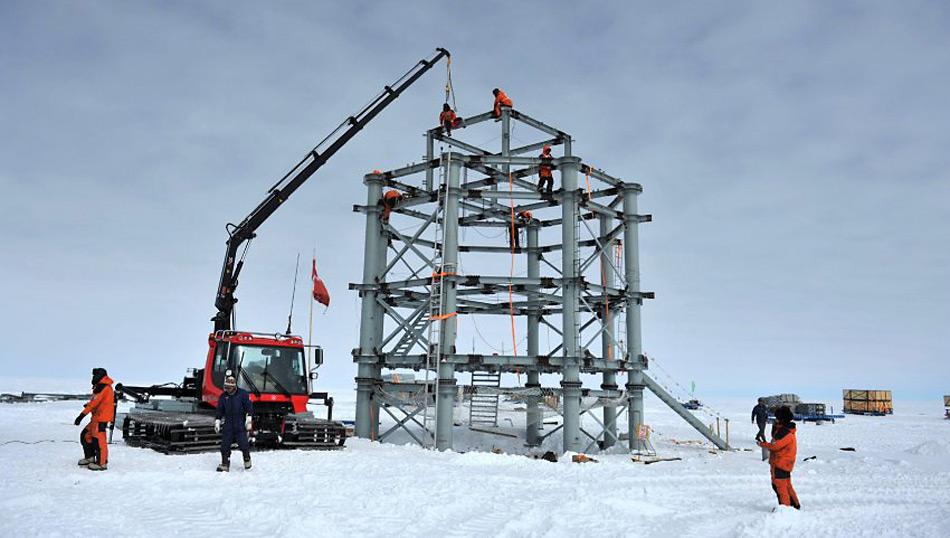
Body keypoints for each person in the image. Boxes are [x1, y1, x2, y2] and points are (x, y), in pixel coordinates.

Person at [758, 405, 800, 510]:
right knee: (785, 485)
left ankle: (785, 509)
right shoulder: (784, 430)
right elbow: (775, 438)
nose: (775, 420)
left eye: (777, 418)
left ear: (782, 419)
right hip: (781, 463)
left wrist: (763, 444)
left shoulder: (786, 433)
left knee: (780, 487)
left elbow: (776, 446)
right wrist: (775, 426)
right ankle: (794, 505)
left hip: (781, 463)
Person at [75, 367, 115, 471]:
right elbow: (96, 402)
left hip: (101, 419)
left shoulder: (104, 387)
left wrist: (81, 415)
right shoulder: (99, 387)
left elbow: (94, 403)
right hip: (96, 418)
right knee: (85, 436)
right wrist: (88, 405)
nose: (93, 377)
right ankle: (90, 457)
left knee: (99, 441)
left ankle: (102, 464)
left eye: (95, 375)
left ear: (100, 376)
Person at [215, 375, 253, 472]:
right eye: (226, 387)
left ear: (234, 386)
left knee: (243, 443)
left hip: (239, 422)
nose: (227, 390)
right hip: (228, 423)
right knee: (225, 445)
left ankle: (247, 459)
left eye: (229, 388)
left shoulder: (243, 394)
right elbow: (220, 410)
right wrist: (217, 421)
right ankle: (225, 464)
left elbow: (249, 406)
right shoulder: (223, 397)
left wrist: (248, 419)